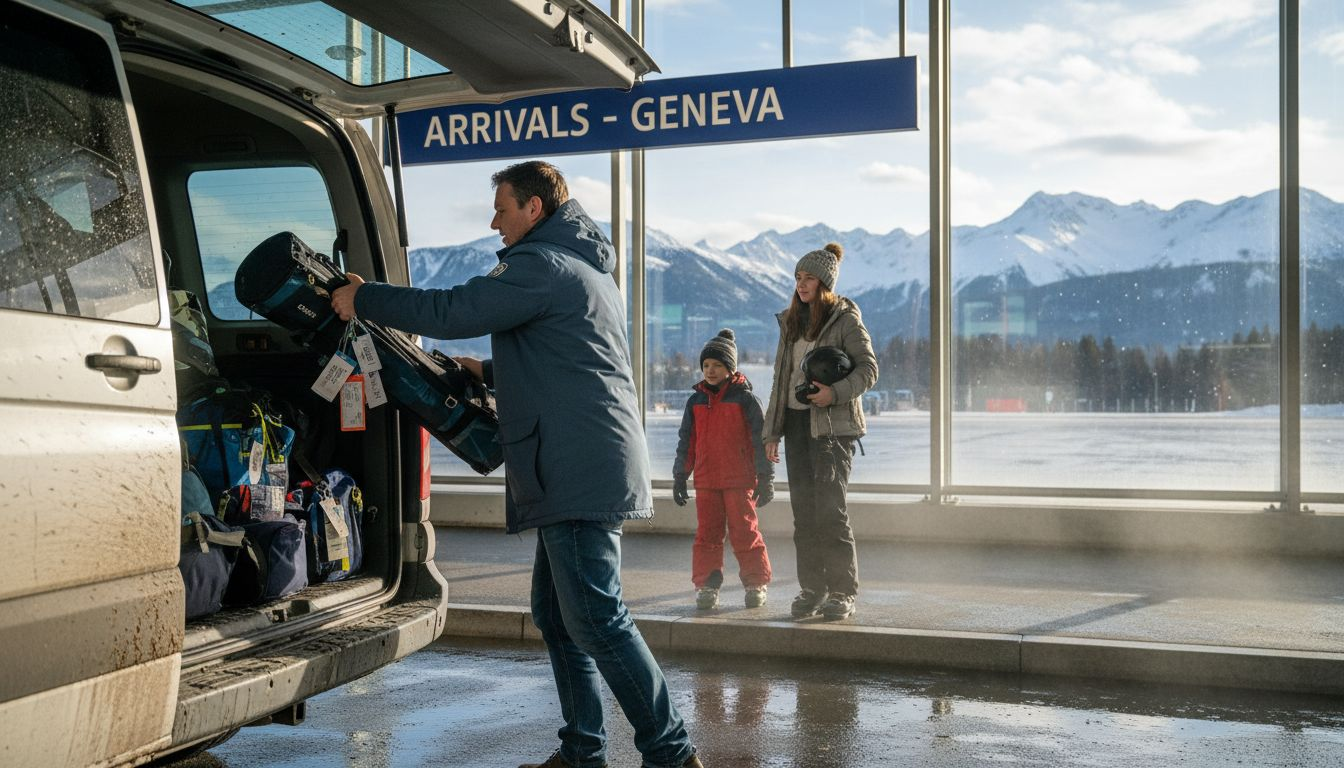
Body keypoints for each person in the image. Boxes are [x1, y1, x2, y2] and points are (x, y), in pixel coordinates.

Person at [331, 161, 702, 768]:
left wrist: (363, 297)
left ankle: (673, 754)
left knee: (597, 619)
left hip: (576, 464)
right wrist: (491, 373)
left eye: (502, 209)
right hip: (577, 456)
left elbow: (456, 308)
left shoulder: (541, 264)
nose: (494, 221)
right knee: (558, 616)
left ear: (534, 209)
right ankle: (583, 752)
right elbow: (574, 359)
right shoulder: (580, 267)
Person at [761, 242, 877, 621]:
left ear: (825, 282)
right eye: (797, 277)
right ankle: (812, 588)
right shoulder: (791, 323)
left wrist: (833, 393)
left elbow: (868, 369)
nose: (801, 284)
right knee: (803, 514)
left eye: (809, 277)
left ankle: (843, 592)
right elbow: (780, 383)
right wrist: (771, 433)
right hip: (795, 425)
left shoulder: (845, 320)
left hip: (832, 430)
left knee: (830, 511)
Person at [671, 328, 774, 611]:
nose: (711, 370)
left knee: (744, 532)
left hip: (739, 480)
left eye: (717, 365)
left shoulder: (745, 400)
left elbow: (759, 441)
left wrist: (765, 477)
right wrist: (681, 475)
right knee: (707, 535)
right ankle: (706, 585)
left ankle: (756, 583)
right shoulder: (695, 402)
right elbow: (686, 443)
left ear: (730, 368)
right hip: (706, 481)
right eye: (706, 365)